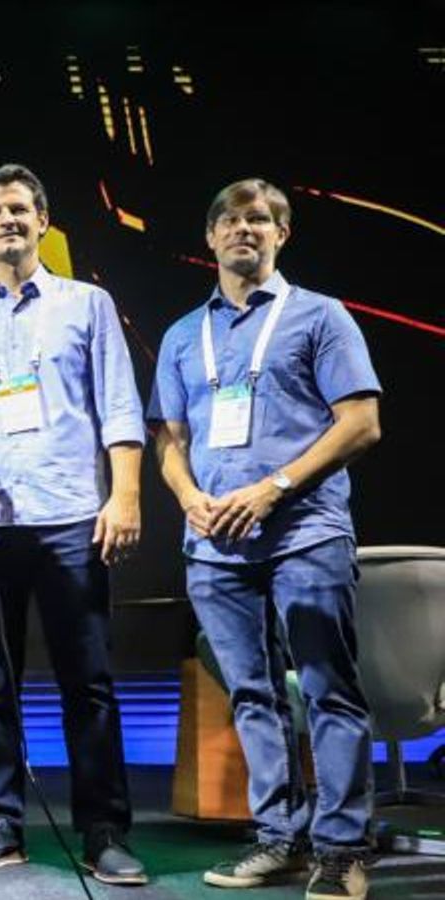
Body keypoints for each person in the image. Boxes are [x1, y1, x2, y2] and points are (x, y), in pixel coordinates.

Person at [147, 178, 380, 900]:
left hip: (304, 534)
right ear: (210, 238)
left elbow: (361, 422)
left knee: (328, 692)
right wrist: (189, 498)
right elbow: (168, 437)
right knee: (251, 694)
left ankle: (341, 850)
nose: (244, 230)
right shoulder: (185, 335)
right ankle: (279, 837)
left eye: (260, 220)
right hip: (215, 545)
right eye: (231, 220)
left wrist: (271, 488)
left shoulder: (321, 317)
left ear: (282, 235)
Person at [0, 164, 147, 885]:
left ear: (42, 220)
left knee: (86, 681)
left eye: (20, 209)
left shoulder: (87, 305)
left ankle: (103, 831)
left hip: (70, 517)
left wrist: (124, 497)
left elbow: (121, 409)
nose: (8, 219)